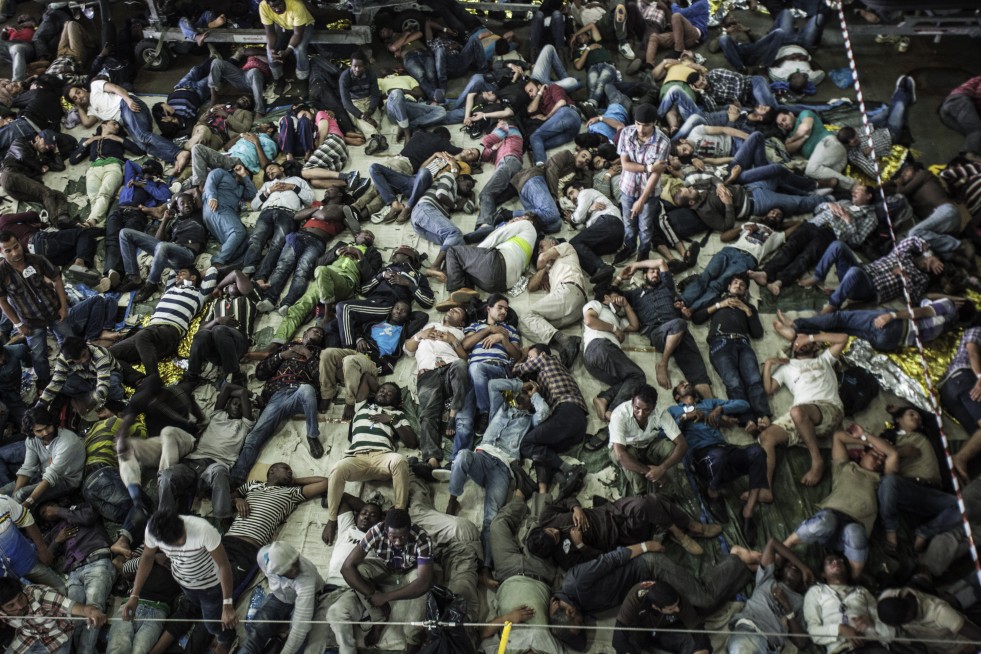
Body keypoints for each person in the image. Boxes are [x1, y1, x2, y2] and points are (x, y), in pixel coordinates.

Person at [446, 377, 549, 570]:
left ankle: (486, 567)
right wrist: (521, 386)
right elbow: (494, 385)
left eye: (526, 397)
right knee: (461, 456)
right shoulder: (502, 408)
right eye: (522, 395)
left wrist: (534, 395)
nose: (523, 396)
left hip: (503, 469)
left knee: (491, 517)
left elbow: (543, 411)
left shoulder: (530, 420)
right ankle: (453, 497)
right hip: (482, 456)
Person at [785, 428, 898, 581]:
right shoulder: (844, 466)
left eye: (881, 460)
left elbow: (893, 454)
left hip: (856, 524)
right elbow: (838, 436)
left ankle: (853, 580)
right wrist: (865, 441)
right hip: (831, 517)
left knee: (855, 532)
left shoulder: (880, 479)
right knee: (825, 520)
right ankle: (785, 547)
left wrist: (870, 439)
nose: (879, 461)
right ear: (863, 453)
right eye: (875, 455)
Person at [121, 509, 238, 654]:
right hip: (185, 585)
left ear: (182, 524)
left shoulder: (204, 529)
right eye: (173, 544)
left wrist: (227, 604)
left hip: (210, 585)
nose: (179, 546)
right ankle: (213, 621)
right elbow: (147, 557)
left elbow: (224, 565)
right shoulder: (152, 531)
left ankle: (225, 639)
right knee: (198, 610)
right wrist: (134, 596)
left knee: (212, 625)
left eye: (181, 538)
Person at [667, 380, 768, 542]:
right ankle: (712, 493)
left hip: (724, 449)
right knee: (718, 456)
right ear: (677, 397)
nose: (686, 382)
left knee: (758, 452)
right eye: (681, 384)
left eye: (686, 381)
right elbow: (663, 433)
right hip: (702, 456)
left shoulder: (708, 403)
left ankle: (748, 511)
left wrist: (720, 409)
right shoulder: (673, 410)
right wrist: (685, 418)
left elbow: (744, 404)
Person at [229, 325, 327, 484]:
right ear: (304, 333)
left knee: (308, 389)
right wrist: (281, 356)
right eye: (315, 330)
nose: (319, 332)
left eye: (321, 333)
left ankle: (312, 435)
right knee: (254, 436)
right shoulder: (286, 348)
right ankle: (236, 479)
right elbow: (260, 373)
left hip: (301, 395)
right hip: (277, 395)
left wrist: (308, 355)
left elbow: (322, 381)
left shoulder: (319, 355)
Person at [327, 509, 434, 653]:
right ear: (385, 530)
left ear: (409, 529)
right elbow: (346, 568)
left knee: (422, 590)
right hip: (387, 568)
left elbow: (423, 583)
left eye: (403, 536)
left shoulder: (422, 538)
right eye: (393, 537)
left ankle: (413, 638)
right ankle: (379, 618)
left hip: (410, 571)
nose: (398, 541)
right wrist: (372, 593)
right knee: (359, 569)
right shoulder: (375, 532)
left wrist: (385, 597)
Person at [323, 383, 416, 545]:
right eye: (382, 390)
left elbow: (412, 442)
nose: (384, 393)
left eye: (389, 394)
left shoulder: (397, 413)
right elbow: (366, 378)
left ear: (395, 401)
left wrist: (392, 420)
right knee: (337, 468)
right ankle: (331, 520)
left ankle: (399, 513)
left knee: (400, 461)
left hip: (382, 457)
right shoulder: (362, 406)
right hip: (358, 458)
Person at [748, 185, 878, 296]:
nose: (853, 192)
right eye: (854, 190)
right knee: (789, 247)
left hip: (830, 234)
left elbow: (856, 241)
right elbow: (816, 210)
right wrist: (828, 205)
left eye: (859, 190)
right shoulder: (845, 202)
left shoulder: (871, 218)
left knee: (806, 257)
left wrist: (848, 221)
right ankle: (765, 273)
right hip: (813, 224)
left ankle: (780, 282)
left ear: (868, 196)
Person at [759, 331, 846, 496]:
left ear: (814, 346)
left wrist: (811, 337)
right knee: (766, 437)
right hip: (802, 416)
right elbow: (768, 389)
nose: (801, 342)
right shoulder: (787, 366)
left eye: (805, 340)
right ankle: (765, 490)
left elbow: (843, 338)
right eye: (797, 340)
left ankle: (817, 460)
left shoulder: (824, 359)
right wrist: (769, 364)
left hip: (829, 409)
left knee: (798, 412)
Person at [156, 385, 254, 522]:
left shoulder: (245, 425)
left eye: (241, 405)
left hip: (215, 466)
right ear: (227, 404)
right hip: (192, 462)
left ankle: (223, 519)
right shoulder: (217, 415)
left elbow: (243, 392)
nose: (237, 407)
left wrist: (249, 395)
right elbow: (226, 388)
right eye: (234, 403)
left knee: (219, 471)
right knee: (167, 476)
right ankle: (164, 520)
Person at [616, 258, 712, 395]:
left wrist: (636, 265)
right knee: (679, 323)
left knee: (699, 375)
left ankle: (712, 407)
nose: (656, 274)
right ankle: (663, 364)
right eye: (651, 271)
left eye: (657, 272)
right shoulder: (634, 295)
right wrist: (619, 277)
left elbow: (661, 262)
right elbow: (610, 293)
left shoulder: (667, 286)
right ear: (644, 276)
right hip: (657, 332)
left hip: (680, 332)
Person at [691, 273, 771, 433]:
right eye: (735, 283)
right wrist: (721, 305)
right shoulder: (717, 301)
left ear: (746, 290)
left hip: (743, 342)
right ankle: (747, 419)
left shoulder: (750, 308)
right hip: (720, 343)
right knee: (734, 382)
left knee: (754, 380)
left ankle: (763, 415)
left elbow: (757, 333)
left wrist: (746, 309)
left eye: (742, 284)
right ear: (728, 287)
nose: (738, 285)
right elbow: (696, 318)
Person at [110, 266, 219, 381]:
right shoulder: (170, 289)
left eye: (182, 273)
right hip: (150, 331)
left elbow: (213, 270)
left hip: (169, 330)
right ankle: (139, 381)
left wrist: (195, 275)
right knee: (109, 354)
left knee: (142, 335)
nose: (177, 275)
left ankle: (153, 378)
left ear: (193, 277)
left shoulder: (199, 294)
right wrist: (183, 276)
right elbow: (173, 268)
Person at [37, 499, 117, 654]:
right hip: (73, 572)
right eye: (44, 514)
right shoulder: (53, 532)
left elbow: (88, 518)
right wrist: (56, 540)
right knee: (74, 615)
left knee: (94, 610)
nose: (47, 512)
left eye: (48, 507)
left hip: (97, 560)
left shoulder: (80, 508)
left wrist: (58, 510)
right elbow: (44, 559)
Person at [513, 343, 590, 496]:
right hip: (575, 425)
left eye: (530, 357)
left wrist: (521, 357)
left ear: (541, 355)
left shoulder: (546, 359)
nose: (529, 360)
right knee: (544, 453)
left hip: (568, 411)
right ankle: (564, 478)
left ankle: (570, 470)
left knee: (526, 443)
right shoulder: (545, 377)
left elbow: (516, 369)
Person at [65, 80, 190, 172]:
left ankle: (179, 153)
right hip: (125, 120)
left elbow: (115, 88)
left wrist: (128, 100)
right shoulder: (91, 110)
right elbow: (86, 122)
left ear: (83, 88)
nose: (79, 97)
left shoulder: (95, 86)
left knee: (142, 136)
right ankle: (174, 159)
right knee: (143, 146)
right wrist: (78, 106)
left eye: (78, 92)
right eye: (75, 98)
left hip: (127, 105)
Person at [0, 230, 72, 389]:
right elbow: (2, 301)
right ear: (1, 252)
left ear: (20, 243)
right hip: (31, 321)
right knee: (39, 356)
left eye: (16, 247)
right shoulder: (2, 273)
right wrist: (18, 324)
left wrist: (63, 306)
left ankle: (73, 369)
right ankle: (45, 381)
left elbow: (57, 279)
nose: (15, 252)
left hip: (54, 311)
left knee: (69, 341)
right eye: (8, 250)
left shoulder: (37, 260)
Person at [405, 306, 471, 471]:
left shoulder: (460, 333)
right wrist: (421, 335)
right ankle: (431, 460)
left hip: (450, 368)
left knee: (461, 365)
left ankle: (453, 415)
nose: (451, 311)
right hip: (428, 373)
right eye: (451, 309)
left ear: (461, 322)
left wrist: (452, 341)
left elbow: (464, 358)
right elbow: (407, 348)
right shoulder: (429, 326)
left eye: (457, 311)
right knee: (428, 414)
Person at [114, 193, 210, 302]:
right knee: (125, 233)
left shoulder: (198, 215)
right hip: (169, 254)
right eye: (182, 204)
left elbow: (196, 190)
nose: (186, 205)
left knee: (163, 246)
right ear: (178, 208)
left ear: (193, 203)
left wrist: (175, 201)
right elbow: (158, 240)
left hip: (186, 255)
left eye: (189, 203)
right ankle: (134, 278)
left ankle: (151, 284)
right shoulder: (175, 222)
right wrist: (165, 220)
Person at [239, 541, 329, 654]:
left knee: (303, 639)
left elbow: (299, 628)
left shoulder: (306, 574)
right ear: (278, 571)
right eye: (290, 569)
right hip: (280, 596)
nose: (296, 569)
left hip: (311, 595)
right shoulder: (262, 556)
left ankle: (280, 635)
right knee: (258, 629)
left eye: (296, 562)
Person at [726, 538, 813, 654]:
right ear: (780, 570)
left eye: (796, 568)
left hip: (771, 648)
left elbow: (802, 643)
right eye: (789, 564)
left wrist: (788, 609)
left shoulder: (800, 601)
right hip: (749, 632)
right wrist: (803, 567)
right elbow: (772, 543)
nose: (793, 566)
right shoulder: (766, 579)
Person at [182, 270, 260, 389]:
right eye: (231, 283)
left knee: (219, 330)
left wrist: (218, 287)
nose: (233, 283)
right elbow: (201, 329)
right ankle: (192, 375)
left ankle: (235, 374)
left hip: (238, 345)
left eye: (236, 283)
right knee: (202, 334)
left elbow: (235, 274)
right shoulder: (217, 303)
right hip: (216, 351)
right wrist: (216, 320)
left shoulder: (250, 298)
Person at [801, 553, 890, 654]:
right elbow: (813, 632)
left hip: (873, 647)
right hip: (841, 650)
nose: (836, 562)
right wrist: (839, 629)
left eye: (840, 561)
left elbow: (889, 631)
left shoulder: (862, 591)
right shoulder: (816, 592)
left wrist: (872, 622)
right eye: (830, 562)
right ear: (823, 574)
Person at [615, 103, 670, 264]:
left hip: (649, 192)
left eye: (645, 125)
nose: (640, 129)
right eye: (638, 124)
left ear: (654, 123)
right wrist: (649, 167)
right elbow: (625, 164)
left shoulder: (663, 142)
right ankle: (630, 247)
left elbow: (656, 175)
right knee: (628, 223)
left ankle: (643, 251)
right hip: (627, 187)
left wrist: (641, 200)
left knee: (645, 227)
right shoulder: (626, 133)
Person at [520, 238, 586, 367]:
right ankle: (563, 347)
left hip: (570, 290)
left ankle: (566, 341)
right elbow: (531, 287)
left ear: (553, 243)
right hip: (575, 311)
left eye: (541, 246)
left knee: (526, 314)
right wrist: (545, 270)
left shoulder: (566, 247)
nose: (539, 251)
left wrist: (543, 262)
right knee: (525, 327)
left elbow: (542, 258)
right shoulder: (550, 268)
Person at [583, 285, 645, 419]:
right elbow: (589, 320)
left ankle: (603, 399)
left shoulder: (617, 319)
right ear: (606, 298)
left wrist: (627, 305)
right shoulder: (597, 305)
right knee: (638, 376)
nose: (620, 301)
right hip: (599, 345)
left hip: (594, 361)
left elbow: (635, 326)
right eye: (617, 297)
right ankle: (612, 411)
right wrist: (614, 329)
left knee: (629, 383)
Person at [0, 577, 107, 654]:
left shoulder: (43, 595)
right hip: (27, 637)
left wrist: (92, 611)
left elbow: (78, 608)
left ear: (22, 591)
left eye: (20, 598)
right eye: (11, 606)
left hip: (57, 636)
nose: (19, 606)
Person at [2, 407, 84, 506]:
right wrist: (14, 493)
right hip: (43, 473)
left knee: (21, 495)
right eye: (39, 430)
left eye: (48, 426)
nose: (45, 433)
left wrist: (28, 502)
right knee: (3, 492)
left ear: (53, 422)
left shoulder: (68, 442)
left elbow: (51, 476)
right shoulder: (32, 440)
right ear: (32, 431)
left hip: (66, 480)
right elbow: (28, 468)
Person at [444, 215, 539, 294]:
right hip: (498, 287)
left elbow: (496, 237)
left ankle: (455, 292)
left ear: (526, 217)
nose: (515, 219)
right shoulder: (530, 245)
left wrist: (475, 252)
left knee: (453, 251)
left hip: (496, 266)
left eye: (518, 218)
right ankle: (464, 296)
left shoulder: (526, 224)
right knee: (462, 268)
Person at [876, 587, 981, 654]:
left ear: (907, 617)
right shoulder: (889, 597)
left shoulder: (939, 613)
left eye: (900, 624)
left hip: (962, 646)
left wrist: (969, 647)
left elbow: (977, 636)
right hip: (938, 647)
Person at [0, 131, 73, 226]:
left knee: (58, 195)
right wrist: (39, 167)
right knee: (47, 193)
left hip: (17, 186)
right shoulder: (20, 142)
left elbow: (60, 166)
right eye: (46, 143)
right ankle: (58, 223)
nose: (47, 147)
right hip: (10, 175)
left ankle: (63, 218)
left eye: (49, 147)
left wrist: (56, 152)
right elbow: (22, 156)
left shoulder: (42, 157)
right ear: (37, 138)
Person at [0, 492, 65, 591]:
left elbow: (26, 519)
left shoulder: (2, 502)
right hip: (4, 582)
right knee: (22, 604)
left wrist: (43, 550)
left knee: (62, 590)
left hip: (28, 562)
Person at [201, 163, 256, 266]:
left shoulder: (241, 189)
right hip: (216, 207)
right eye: (245, 171)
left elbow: (253, 194)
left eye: (247, 176)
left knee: (244, 241)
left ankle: (227, 265)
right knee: (238, 232)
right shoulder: (221, 172)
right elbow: (210, 182)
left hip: (226, 214)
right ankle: (218, 263)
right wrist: (212, 197)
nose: (244, 175)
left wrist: (244, 176)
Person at [259, 0, 314, 95]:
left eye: (279, 4)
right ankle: (279, 79)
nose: (277, 9)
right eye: (273, 7)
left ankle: (303, 78)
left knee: (299, 49)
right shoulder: (263, 6)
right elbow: (270, 32)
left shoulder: (296, 5)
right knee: (270, 50)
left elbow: (297, 34)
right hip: (282, 25)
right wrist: (271, 49)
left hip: (304, 26)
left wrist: (287, 51)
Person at [939, 75, 981, 155]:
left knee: (974, 135)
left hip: (948, 112)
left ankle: (968, 160)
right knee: (976, 130)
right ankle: (969, 155)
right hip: (959, 101)